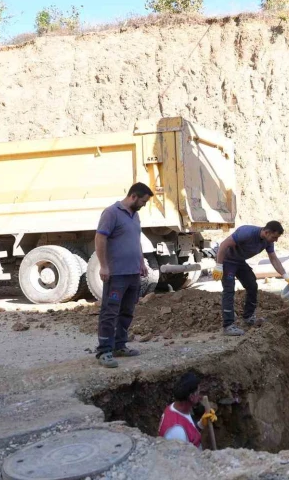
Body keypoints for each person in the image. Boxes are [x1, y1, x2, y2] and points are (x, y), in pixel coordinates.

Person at [94, 182, 154, 368]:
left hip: (133, 273)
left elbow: (136, 241)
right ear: (133, 196)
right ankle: (104, 351)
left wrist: (142, 262)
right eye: (143, 201)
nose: (144, 205)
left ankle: (120, 345)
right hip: (117, 274)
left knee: (127, 311)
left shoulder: (135, 216)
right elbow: (100, 238)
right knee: (110, 312)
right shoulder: (111, 213)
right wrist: (104, 266)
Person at [212, 221, 289, 336]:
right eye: (275, 237)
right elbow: (224, 244)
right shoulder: (247, 232)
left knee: (252, 285)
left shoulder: (268, 241)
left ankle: (248, 317)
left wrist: (285, 275)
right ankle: (228, 326)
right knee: (229, 290)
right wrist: (219, 266)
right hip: (227, 261)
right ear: (266, 232)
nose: (276, 240)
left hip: (239, 261)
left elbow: (273, 259)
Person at [158, 372, 217, 449]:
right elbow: (184, 459)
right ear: (191, 397)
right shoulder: (177, 432)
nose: (200, 396)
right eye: (198, 392)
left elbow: (189, 435)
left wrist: (201, 424)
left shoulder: (177, 408)